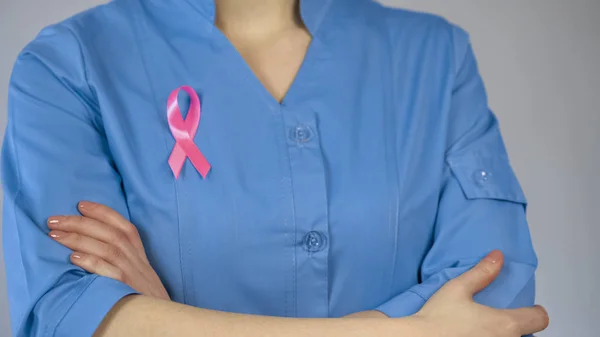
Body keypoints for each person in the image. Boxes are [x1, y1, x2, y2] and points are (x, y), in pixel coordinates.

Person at [1, 0, 549, 336]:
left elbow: (495, 298)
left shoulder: (434, 55)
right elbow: (69, 315)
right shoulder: (69, 67)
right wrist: (396, 333)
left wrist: (161, 319)